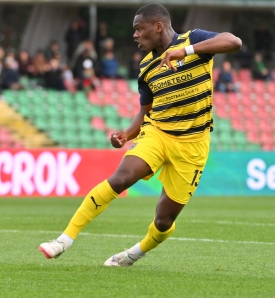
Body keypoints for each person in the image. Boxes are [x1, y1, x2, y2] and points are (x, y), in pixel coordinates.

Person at [39, 3, 242, 266]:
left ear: (158, 27)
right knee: (121, 178)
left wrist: (186, 51)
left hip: (193, 146)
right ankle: (64, 240)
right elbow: (145, 111)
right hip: (158, 134)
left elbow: (233, 42)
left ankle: (135, 252)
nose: (135, 35)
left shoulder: (194, 40)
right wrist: (126, 133)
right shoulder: (147, 66)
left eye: (139, 29)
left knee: (163, 220)